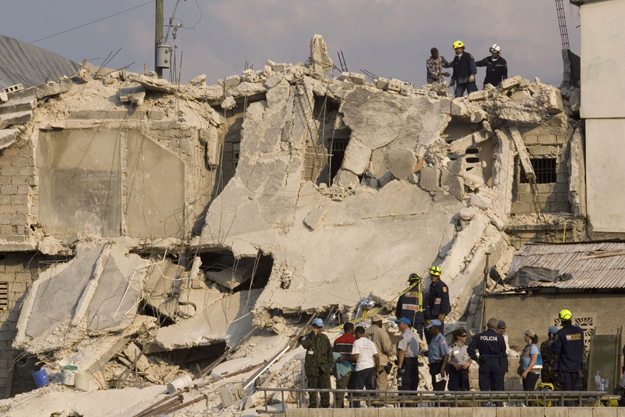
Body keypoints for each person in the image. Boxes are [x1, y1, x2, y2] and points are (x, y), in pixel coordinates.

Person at [339, 326, 380, 408]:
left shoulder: (357, 342)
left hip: (361, 368)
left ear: (358, 333)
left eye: (355, 334)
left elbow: (355, 357)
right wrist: (377, 371)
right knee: (370, 388)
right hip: (370, 367)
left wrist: (344, 358)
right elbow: (377, 357)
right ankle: (376, 406)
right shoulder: (371, 343)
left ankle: (356, 408)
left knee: (357, 390)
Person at [300, 318, 334, 408]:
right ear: (313, 327)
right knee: (312, 390)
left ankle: (325, 406)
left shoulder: (324, 338)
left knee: (325, 389)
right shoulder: (307, 337)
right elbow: (305, 345)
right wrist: (314, 336)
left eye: (321, 327)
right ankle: (313, 406)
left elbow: (329, 352)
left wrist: (330, 365)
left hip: (323, 368)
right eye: (318, 327)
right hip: (312, 370)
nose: (320, 329)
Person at [468, 318, 508, 391]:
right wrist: (504, 368)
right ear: (496, 327)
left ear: (487, 326)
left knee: (484, 386)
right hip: (497, 364)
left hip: (484, 363)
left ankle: (485, 402)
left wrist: (476, 359)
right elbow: (503, 353)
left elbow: (470, 350)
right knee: (497, 386)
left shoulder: (479, 336)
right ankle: (497, 402)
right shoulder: (499, 337)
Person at [551, 309, 584, 391]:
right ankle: (578, 403)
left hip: (565, 367)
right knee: (575, 388)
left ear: (561, 320)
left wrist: (552, 344)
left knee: (567, 391)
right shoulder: (580, 331)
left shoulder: (561, 333)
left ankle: (568, 404)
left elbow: (556, 350)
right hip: (576, 366)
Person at [365, 314, 394, 390]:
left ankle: (371, 401)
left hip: (368, 362)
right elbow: (387, 348)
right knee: (381, 385)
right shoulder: (381, 332)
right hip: (381, 362)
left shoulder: (366, 332)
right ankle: (381, 402)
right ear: (379, 322)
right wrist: (392, 353)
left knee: (371, 386)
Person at [396, 273, 427, 339]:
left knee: (405, 339)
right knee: (417, 340)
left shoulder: (404, 293)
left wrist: (399, 320)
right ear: (418, 283)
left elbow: (398, 310)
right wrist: (427, 320)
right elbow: (426, 310)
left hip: (405, 322)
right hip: (418, 322)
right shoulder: (422, 294)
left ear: (410, 282)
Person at [425, 266, 450, 344]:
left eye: (435, 276)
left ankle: (440, 349)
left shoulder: (442, 286)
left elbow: (445, 301)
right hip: (432, 313)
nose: (433, 277)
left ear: (438, 276)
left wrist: (442, 313)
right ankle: (431, 348)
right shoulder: (432, 286)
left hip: (438, 314)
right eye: (432, 275)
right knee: (429, 332)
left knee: (438, 333)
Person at [333, 323, 356, 408]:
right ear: (350, 329)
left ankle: (338, 409)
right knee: (352, 392)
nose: (354, 331)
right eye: (353, 329)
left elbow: (335, 354)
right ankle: (352, 409)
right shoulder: (354, 340)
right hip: (353, 369)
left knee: (340, 392)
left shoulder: (337, 341)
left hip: (340, 370)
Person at [395, 317, 420, 393]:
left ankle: (405, 404)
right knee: (413, 384)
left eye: (400, 324)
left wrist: (399, 367)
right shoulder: (415, 335)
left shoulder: (404, 336)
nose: (398, 325)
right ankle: (413, 404)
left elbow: (402, 351)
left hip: (406, 363)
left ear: (405, 325)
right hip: (414, 362)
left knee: (404, 385)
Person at [427, 319, 450, 391]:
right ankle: (438, 402)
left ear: (436, 327)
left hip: (439, 366)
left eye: (431, 328)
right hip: (434, 366)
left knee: (440, 388)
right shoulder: (433, 339)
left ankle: (441, 402)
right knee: (435, 388)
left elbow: (446, 355)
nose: (430, 330)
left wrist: (442, 368)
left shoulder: (441, 339)